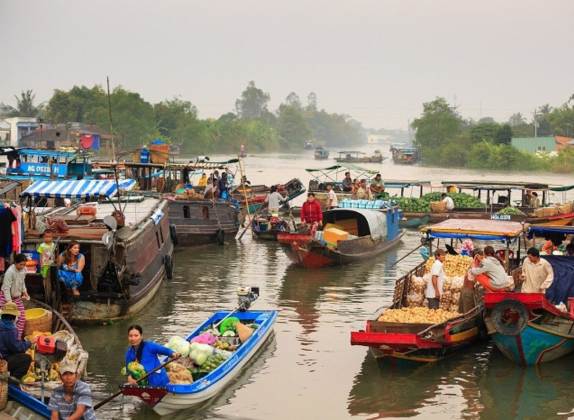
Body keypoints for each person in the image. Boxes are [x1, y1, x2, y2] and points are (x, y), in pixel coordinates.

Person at [0, 254, 30, 339]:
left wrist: (25, 292)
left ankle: (17, 338)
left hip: (16, 297)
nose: (23, 266)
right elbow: (6, 288)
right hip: (5, 297)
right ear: (15, 263)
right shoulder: (10, 272)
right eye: (21, 264)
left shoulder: (24, 270)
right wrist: (9, 302)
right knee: (5, 319)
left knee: (21, 318)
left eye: (24, 264)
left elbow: (22, 282)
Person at [0, 302, 31, 379]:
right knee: (27, 358)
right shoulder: (10, 330)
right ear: (13, 317)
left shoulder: (2, 324)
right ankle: (13, 379)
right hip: (3, 359)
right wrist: (29, 343)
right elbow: (17, 348)